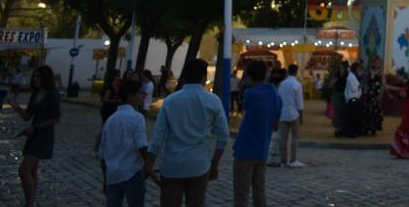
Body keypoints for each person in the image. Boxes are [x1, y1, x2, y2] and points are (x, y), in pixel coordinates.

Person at [145, 58, 230, 207]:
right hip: (199, 166)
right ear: (203, 77)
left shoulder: (170, 101)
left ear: (184, 76)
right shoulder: (213, 100)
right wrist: (214, 164)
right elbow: (223, 136)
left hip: (172, 165)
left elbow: (158, 138)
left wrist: (148, 166)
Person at [8, 65, 61, 207]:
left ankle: (29, 203)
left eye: (38, 76)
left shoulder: (52, 94)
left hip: (44, 134)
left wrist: (36, 127)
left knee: (24, 169)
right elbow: (27, 117)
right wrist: (17, 108)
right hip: (33, 132)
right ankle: (30, 201)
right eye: (34, 76)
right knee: (32, 170)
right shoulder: (35, 94)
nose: (35, 79)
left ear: (45, 78)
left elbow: (55, 118)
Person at [232, 60, 280, 207]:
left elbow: (245, 108)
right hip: (262, 149)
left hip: (245, 150)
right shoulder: (275, 94)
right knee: (259, 192)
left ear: (249, 76)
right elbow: (276, 126)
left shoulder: (250, 94)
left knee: (241, 195)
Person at [99, 80, 148, 207]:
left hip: (112, 173)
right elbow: (142, 146)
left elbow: (102, 153)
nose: (143, 95)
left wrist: (105, 178)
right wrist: (150, 168)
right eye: (140, 93)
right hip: (132, 171)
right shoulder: (137, 117)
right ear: (130, 96)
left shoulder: (110, 120)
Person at [276, 63, 304, 166]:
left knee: (283, 138)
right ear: (296, 72)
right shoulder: (297, 85)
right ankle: (293, 159)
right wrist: (301, 116)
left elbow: (278, 98)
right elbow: (299, 102)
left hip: (283, 113)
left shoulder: (282, 84)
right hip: (294, 113)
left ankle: (283, 160)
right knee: (295, 137)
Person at [363, 55, 384, 136]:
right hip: (369, 93)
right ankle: (366, 127)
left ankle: (373, 128)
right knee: (367, 110)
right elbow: (365, 82)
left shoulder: (381, 72)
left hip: (376, 94)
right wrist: (365, 90)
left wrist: (380, 94)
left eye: (378, 62)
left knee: (375, 111)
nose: (376, 64)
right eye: (374, 62)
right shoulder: (369, 71)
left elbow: (383, 84)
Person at [342, 62, 364, 138]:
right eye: (358, 68)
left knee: (353, 117)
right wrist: (360, 85)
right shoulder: (351, 77)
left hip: (354, 99)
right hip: (352, 99)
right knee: (352, 118)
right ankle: (351, 133)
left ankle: (353, 132)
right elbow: (354, 89)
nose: (359, 70)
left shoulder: (353, 76)